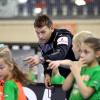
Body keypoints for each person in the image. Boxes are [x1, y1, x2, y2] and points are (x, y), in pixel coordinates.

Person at [24, 14, 76, 88]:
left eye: (43, 32)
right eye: (37, 32)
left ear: (51, 28)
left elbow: (61, 53)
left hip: (82, 74)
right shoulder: (42, 42)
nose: (40, 36)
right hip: (68, 77)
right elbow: (48, 58)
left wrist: (41, 59)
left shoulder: (63, 35)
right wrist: (47, 73)